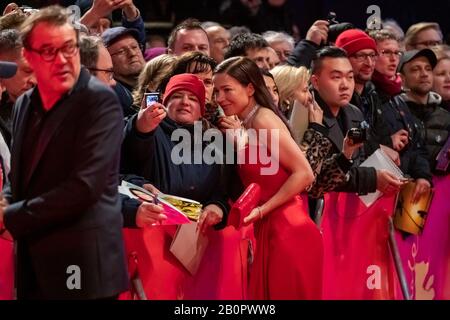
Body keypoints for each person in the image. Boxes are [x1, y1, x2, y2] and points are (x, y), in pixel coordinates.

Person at [0, 5, 128, 299]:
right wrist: (7, 201)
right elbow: (19, 172)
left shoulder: (99, 102)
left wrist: (13, 215)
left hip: (82, 257)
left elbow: (85, 186)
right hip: (33, 255)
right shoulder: (25, 102)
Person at [213, 56, 323, 299]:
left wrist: (263, 211)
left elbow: (304, 173)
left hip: (289, 231)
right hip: (272, 227)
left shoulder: (262, 119)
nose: (219, 98)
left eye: (227, 90)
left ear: (250, 88)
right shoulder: (248, 121)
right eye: (216, 90)